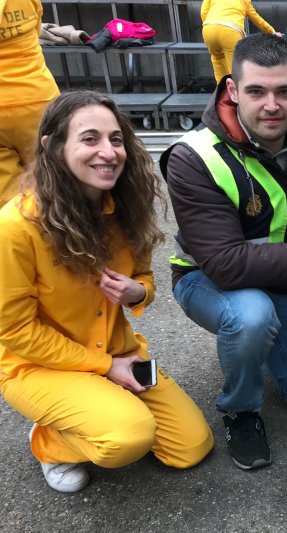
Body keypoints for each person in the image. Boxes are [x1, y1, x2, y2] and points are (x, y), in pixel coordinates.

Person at [0, 91, 214, 493]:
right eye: (90, 139)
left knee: (192, 447)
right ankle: (49, 442)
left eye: (116, 139)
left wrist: (137, 292)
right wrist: (103, 367)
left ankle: (97, 412)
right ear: (52, 147)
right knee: (128, 435)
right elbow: (15, 333)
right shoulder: (15, 227)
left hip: (119, 353)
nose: (109, 151)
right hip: (40, 368)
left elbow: (146, 281)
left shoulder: (127, 208)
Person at [160, 33, 287, 471]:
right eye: (257, 91)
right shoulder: (194, 158)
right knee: (249, 316)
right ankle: (240, 409)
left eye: (283, 92)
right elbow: (224, 264)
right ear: (232, 91)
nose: (272, 105)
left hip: (277, 280)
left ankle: (250, 342)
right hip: (206, 280)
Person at [0, 0, 59, 206]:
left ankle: (21, 235)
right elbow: (35, 31)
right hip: (38, 97)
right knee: (56, 177)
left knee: (8, 198)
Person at [201, 0, 283, 83]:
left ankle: (221, 91)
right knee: (235, 67)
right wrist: (272, 32)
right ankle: (237, 92)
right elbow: (256, 19)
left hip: (209, 28)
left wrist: (211, 26)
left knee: (217, 59)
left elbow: (204, 12)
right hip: (231, 30)